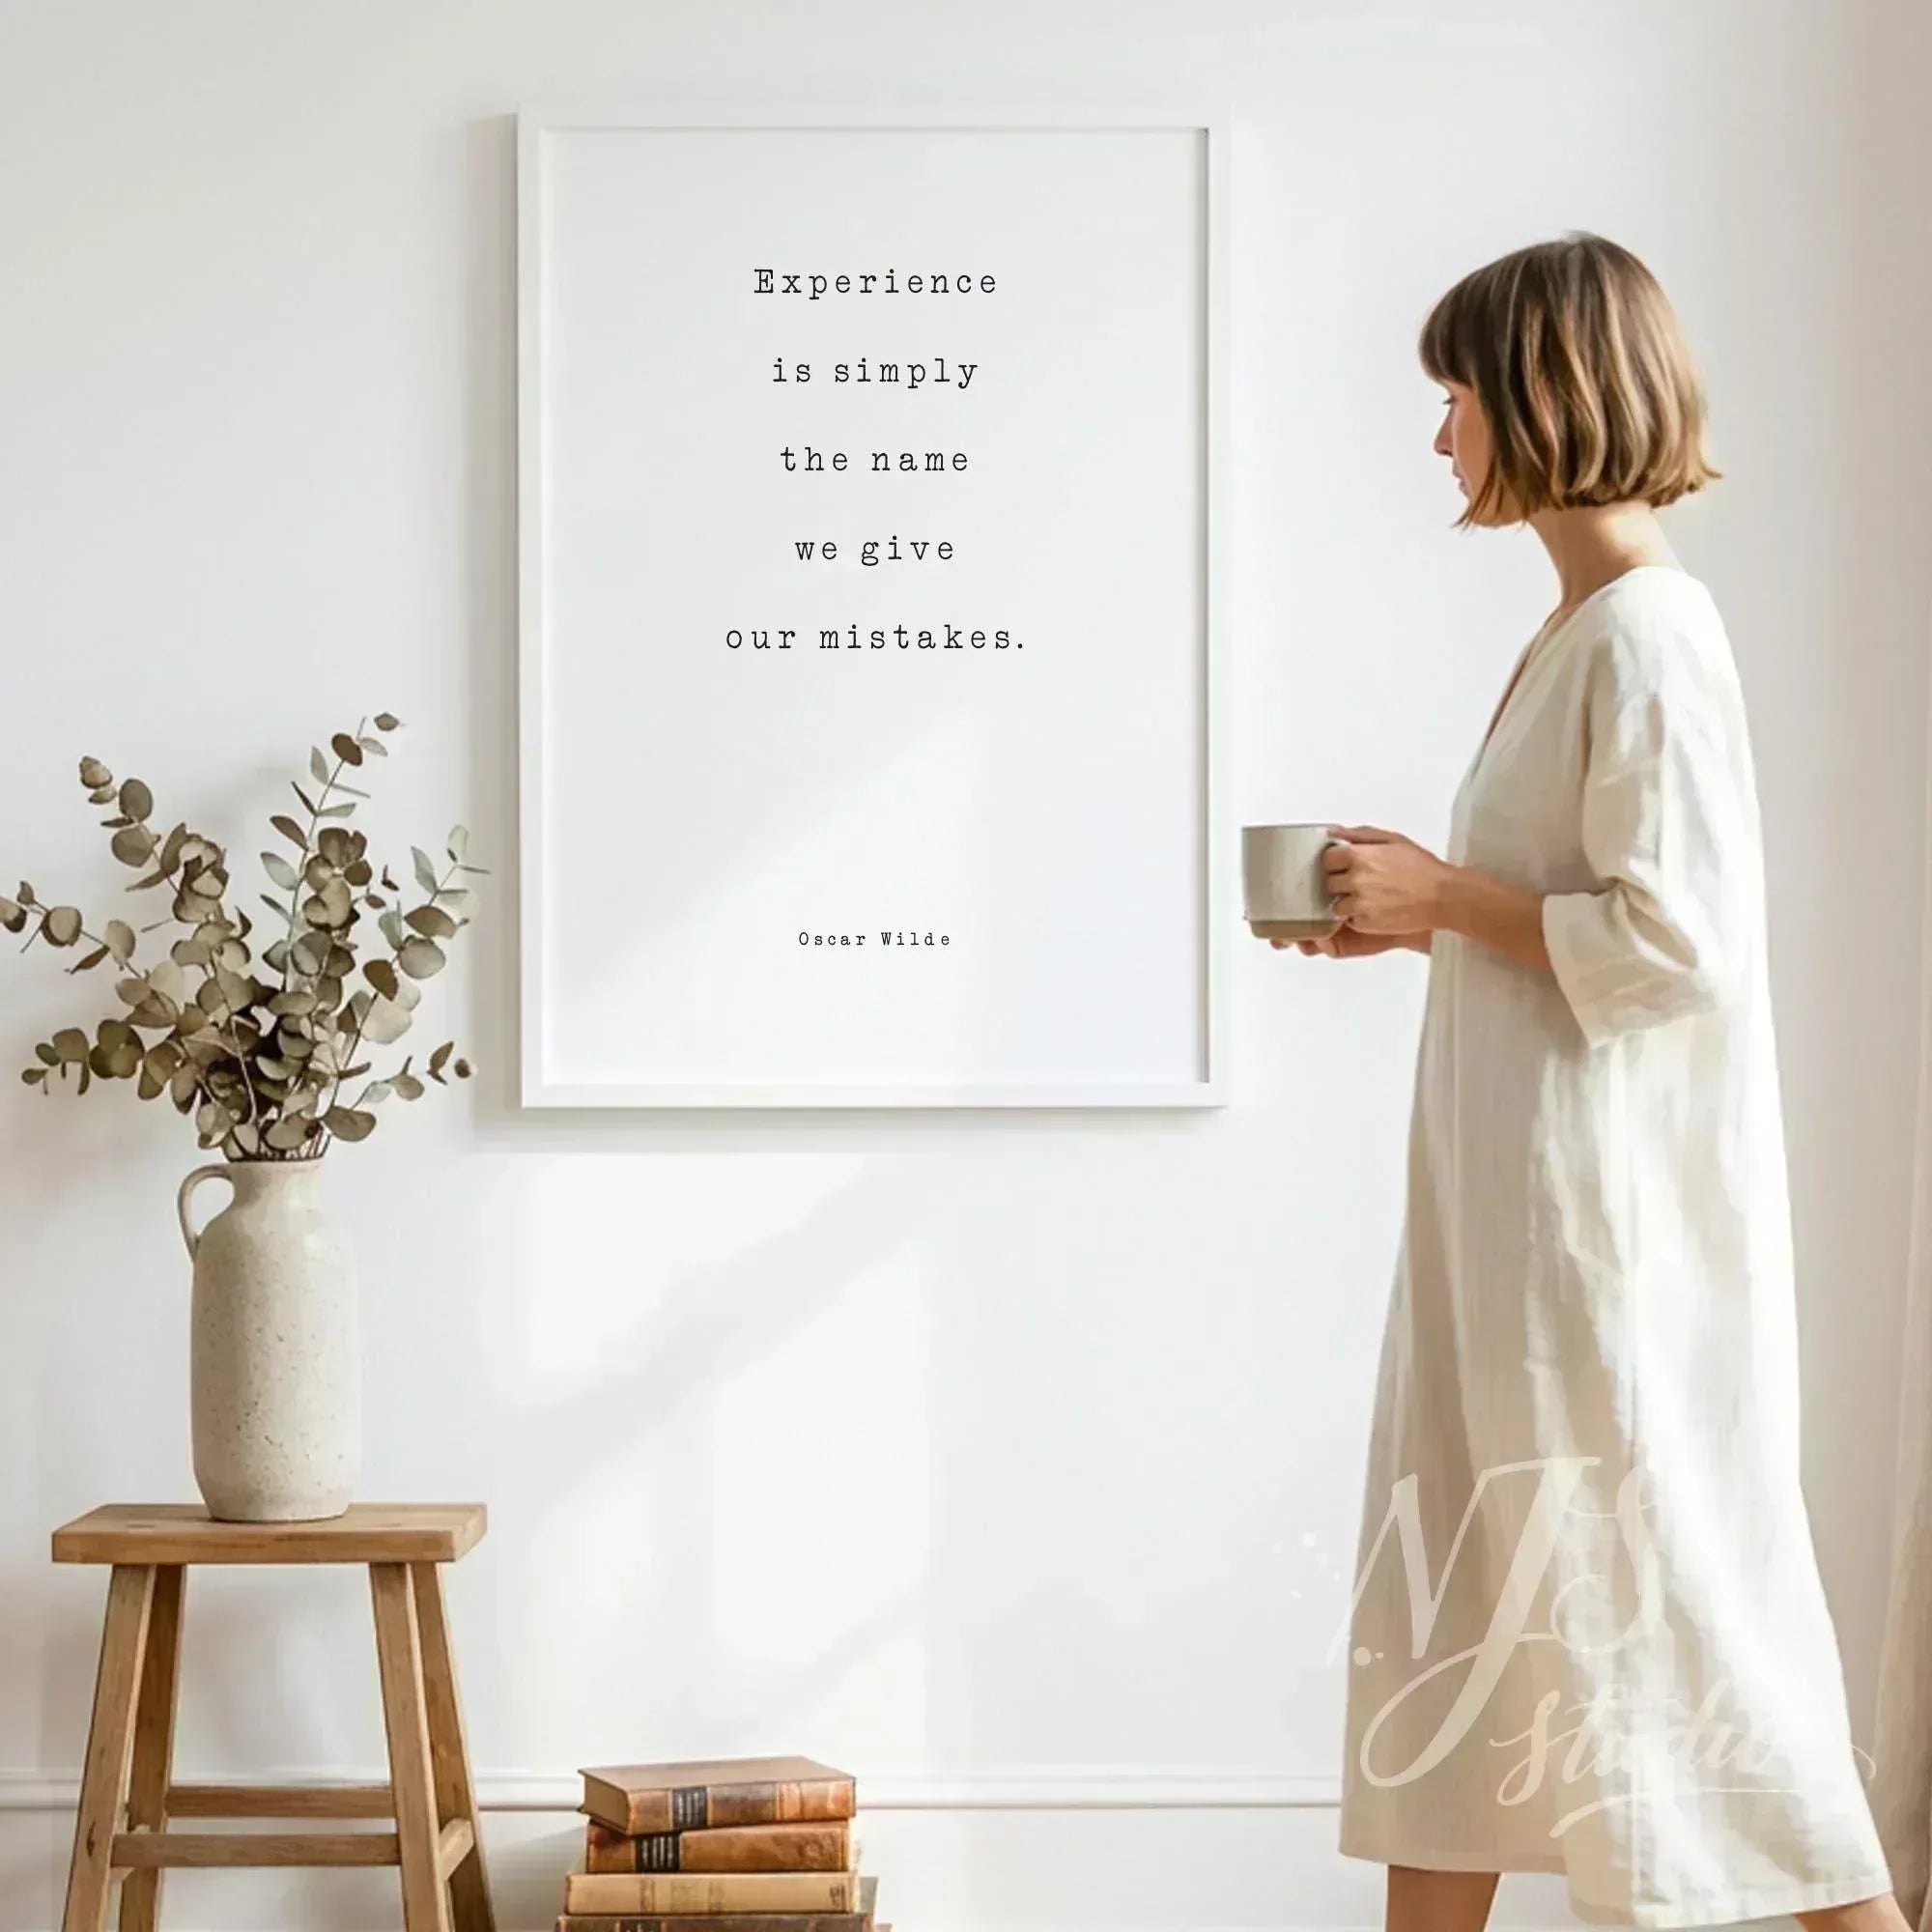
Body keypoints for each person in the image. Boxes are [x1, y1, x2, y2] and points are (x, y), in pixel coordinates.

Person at [1287, 233, 1905, 1932]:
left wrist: (1447, 900)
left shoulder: (1649, 633)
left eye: (1456, 401)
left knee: (1684, 1629)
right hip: (1510, 1226)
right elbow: (1575, 925)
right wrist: (1420, 922)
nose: (1441, 442)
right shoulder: (1579, 630)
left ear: (1542, 397)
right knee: (1467, 1624)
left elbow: (1680, 940)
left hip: (1599, 1245)